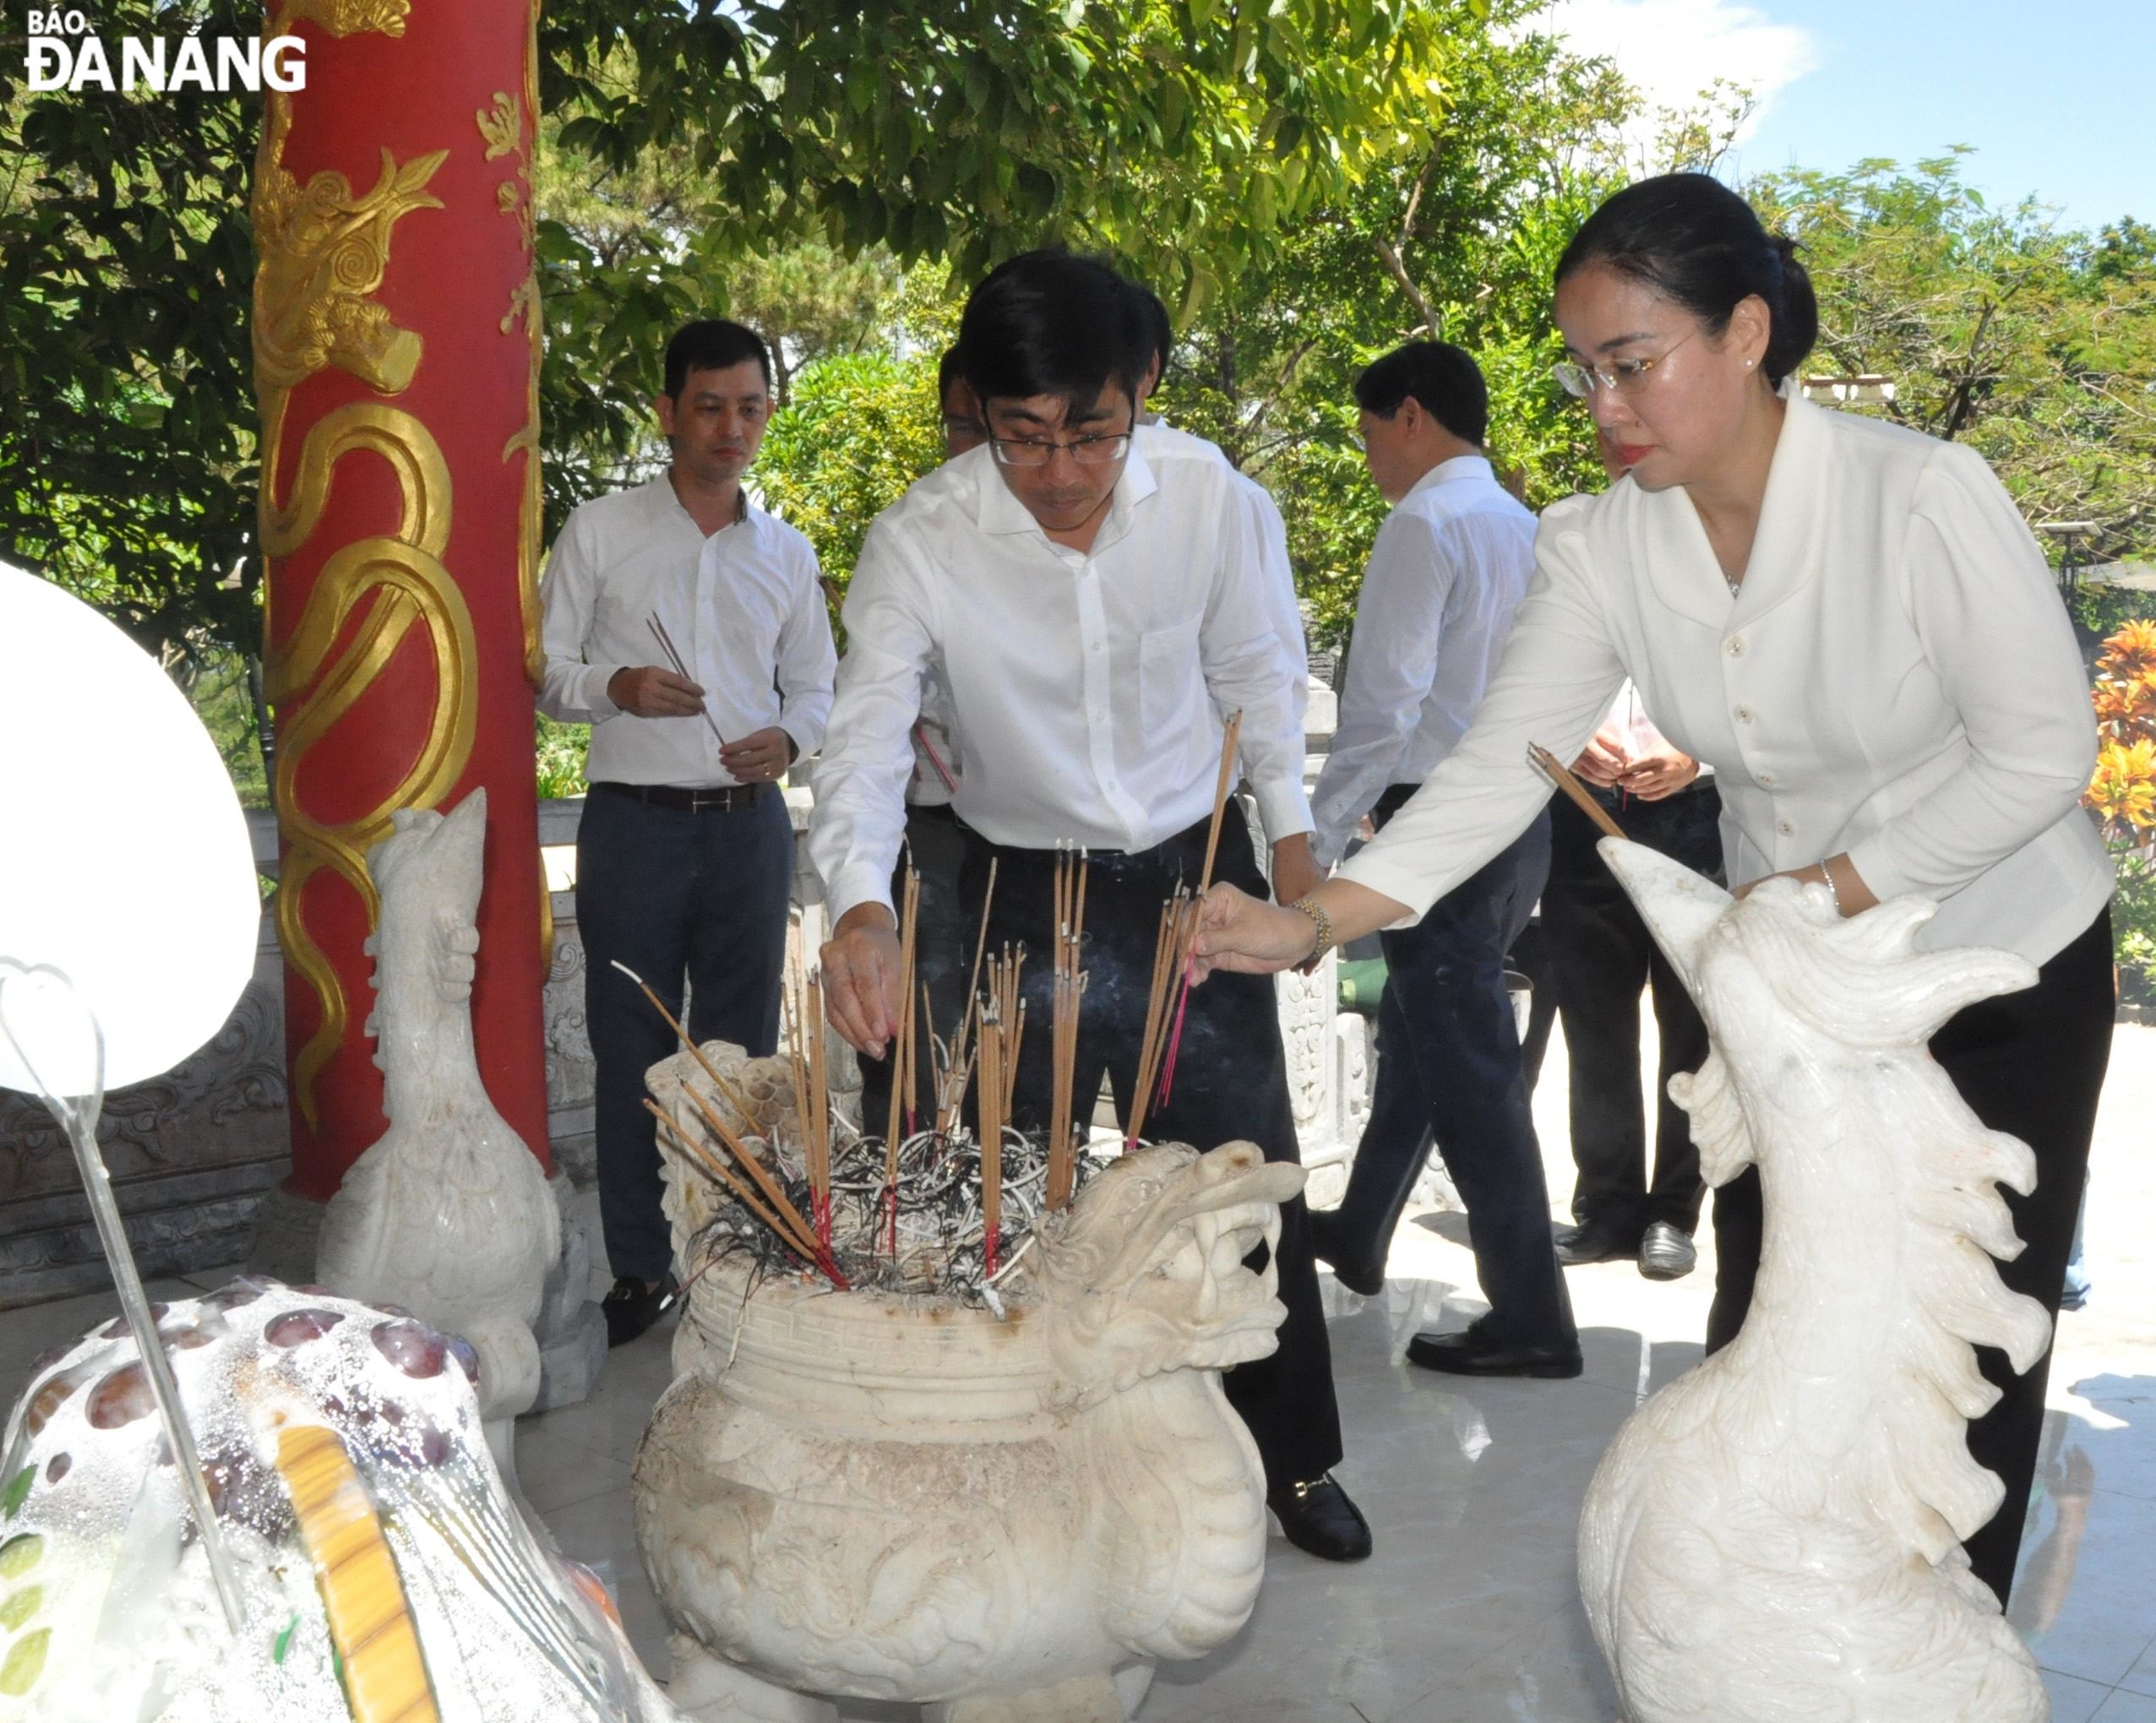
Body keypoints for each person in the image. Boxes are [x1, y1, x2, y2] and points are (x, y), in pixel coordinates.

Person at [1190, 172, 2113, 1606]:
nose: (1604, 403)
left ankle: (1946, 1660)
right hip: (1796, 999)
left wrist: (1824, 889)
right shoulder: (1599, 540)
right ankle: (1779, 1646)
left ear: (1744, 333)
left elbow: (2046, 750)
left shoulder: (1916, 494)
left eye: (1633, 362)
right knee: (1772, 1327)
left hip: (2000, 968)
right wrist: (1315, 918)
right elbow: (1505, 762)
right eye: (1584, 371)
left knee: (1963, 1352)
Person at [812, 248, 1370, 1563]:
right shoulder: (923, 538)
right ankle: (998, 1458)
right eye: (1023, 438)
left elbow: (1258, 676)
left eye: (1092, 434)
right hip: (1007, 881)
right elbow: (868, 737)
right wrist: (856, 906)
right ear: (977, 412)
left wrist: (1289, 846)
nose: (1060, 474)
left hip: (1193, 866)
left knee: (1235, 1178)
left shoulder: (1211, 500)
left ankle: (1293, 1463)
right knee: (990, 1183)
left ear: (1146, 392)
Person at [539, 318, 837, 1346]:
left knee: (743, 1051)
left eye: (750, 407)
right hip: (635, 827)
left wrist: (789, 739)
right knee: (630, 1047)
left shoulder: (786, 551)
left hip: (749, 828)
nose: (731, 427)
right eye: (708, 406)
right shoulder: (601, 529)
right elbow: (545, 671)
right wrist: (614, 684)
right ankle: (641, 1267)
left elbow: (818, 685)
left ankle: (737, 1251)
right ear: (666, 413)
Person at [1300, 340, 1577, 1381]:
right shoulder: (1517, 520)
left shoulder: (1423, 522)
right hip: (1519, 816)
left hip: (1439, 820)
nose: (1370, 453)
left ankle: (1533, 1317)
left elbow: (1382, 704)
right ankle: (1362, 1232)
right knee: (1431, 1039)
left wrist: (1322, 841)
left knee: (1468, 1071)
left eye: (1371, 431)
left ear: (1409, 416)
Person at [1545, 682, 1722, 1280]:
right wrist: (1565, 739)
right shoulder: (1573, 593)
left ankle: (1674, 1212)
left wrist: (1698, 756)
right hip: (1581, 810)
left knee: (1691, 1034)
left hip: (1695, 814)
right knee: (1595, 1029)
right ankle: (1608, 1207)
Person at [857, 348, 980, 1136]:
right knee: (917, 1060)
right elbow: (865, 722)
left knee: (1024, 1062)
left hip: (1042, 845)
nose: (975, 450)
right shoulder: (912, 537)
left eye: (998, 429)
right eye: (960, 427)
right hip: (934, 835)